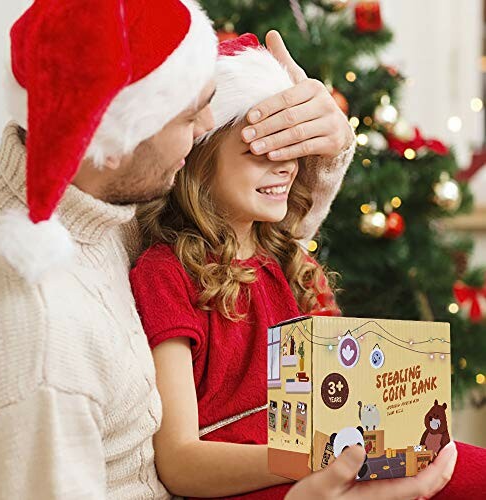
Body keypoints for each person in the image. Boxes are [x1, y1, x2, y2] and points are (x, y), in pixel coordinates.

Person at [0, 1, 360, 499]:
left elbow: (246, 240)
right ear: (117, 139)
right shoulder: (44, 347)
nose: (209, 123)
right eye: (189, 116)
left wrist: (325, 143)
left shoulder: (110, 202)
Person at [130, 34, 462, 500]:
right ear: (199, 163)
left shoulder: (290, 261)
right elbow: (180, 461)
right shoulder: (164, 272)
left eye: (290, 149)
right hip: (253, 480)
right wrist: (324, 457)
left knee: (463, 467)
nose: (286, 167)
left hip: (332, 460)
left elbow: (349, 396)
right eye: (260, 151)